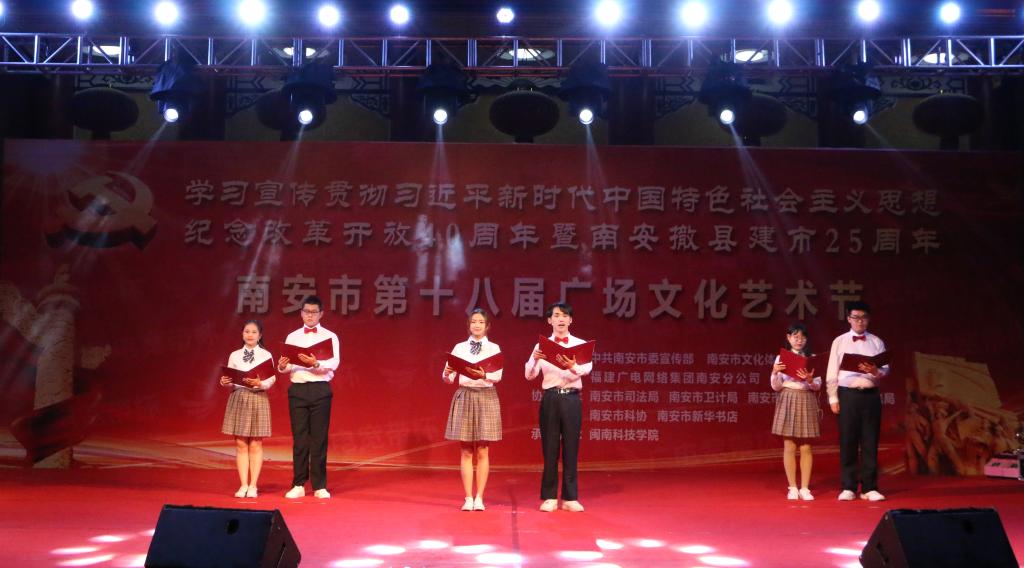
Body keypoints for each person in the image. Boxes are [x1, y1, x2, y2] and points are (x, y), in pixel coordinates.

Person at [525, 302, 593, 512]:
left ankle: (570, 498)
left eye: (564, 315)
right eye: (556, 315)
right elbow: (530, 375)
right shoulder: (540, 346)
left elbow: (586, 369)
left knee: (571, 447)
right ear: (549, 320)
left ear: (570, 320)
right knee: (550, 448)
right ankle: (549, 497)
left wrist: (572, 365)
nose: (560, 319)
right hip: (551, 398)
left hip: (571, 398)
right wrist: (534, 361)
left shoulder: (580, 344)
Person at [277, 295, 340, 499]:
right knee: (300, 439)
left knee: (319, 439)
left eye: (314, 312)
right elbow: (286, 367)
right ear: (301, 313)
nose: (310, 315)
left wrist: (316, 364)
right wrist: (282, 366)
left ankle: (320, 485)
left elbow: (334, 363)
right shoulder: (292, 336)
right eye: (306, 311)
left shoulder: (330, 336)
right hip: (298, 390)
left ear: (321, 314)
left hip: (320, 389)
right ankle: (298, 484)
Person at [826, 300, 890, 502]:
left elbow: (886, 369)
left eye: (863, 318)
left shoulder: (877, 342)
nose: (860, 321)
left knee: (870, 440)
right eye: (855, 317)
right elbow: (831, 371)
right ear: (848, 319)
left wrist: (876, 371)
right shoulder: (840, 341)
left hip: (871, 395)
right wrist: (833, 397)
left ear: (868, 319)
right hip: (848, 395)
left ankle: (869, 487)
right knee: (848, 441)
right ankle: (848, 487)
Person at [442, 308, 503, 511]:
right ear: (468, 325)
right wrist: (447, 372)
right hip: (465, 395)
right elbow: (448, 378)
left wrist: (483, 374)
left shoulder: (493, 348)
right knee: (466, 449)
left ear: (487, 326)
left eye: (481, 322)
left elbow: (498, 376)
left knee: (483, 449)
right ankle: (468, 497)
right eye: (473, 322)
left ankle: (479, 497)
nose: (477, 325)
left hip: (486, 396)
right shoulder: (459, 348)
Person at [219, 319, 275, 498]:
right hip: (240, 397)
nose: (250, 335)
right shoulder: (235, 355)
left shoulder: (266, 355)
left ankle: (253, 485)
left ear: (260, 335)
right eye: (247, 331)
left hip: (258, 397)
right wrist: (225, 381)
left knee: (256, 443)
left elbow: (271, 379)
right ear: (242, 334)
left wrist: (260, 383)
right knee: (240, 443)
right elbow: (230, 378)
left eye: (253, 332)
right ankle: (243, 485)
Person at [769, 323, 821, 501]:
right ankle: (792, 487)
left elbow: (817, 385)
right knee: (789, 445)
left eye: (803, 337)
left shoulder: (812, 358)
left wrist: (810, 380)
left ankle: (805, 488)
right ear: (788, 338)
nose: (799, 340)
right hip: (788, 397)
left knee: (806, 446)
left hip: (806, 397)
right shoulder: (781, 357)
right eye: (795, 337)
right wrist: (775, 372)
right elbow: (776, 386)